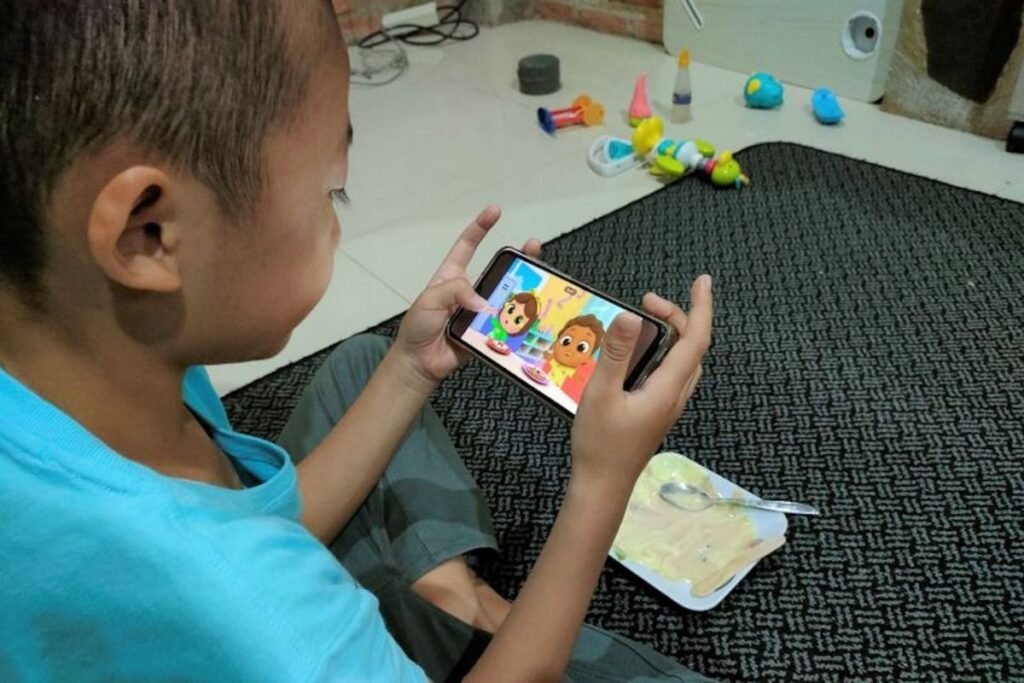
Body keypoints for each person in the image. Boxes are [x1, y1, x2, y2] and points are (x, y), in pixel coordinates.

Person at [0, 2, 714, 681]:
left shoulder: (95, 369)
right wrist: (602, 480)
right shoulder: (260, 614)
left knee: (366, 362)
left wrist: (411, 367)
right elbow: (253, 575)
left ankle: (443, 595)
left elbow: (273, 523)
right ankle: (459, 618)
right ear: (149, 234)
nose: (338, 225)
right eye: (329, 194)